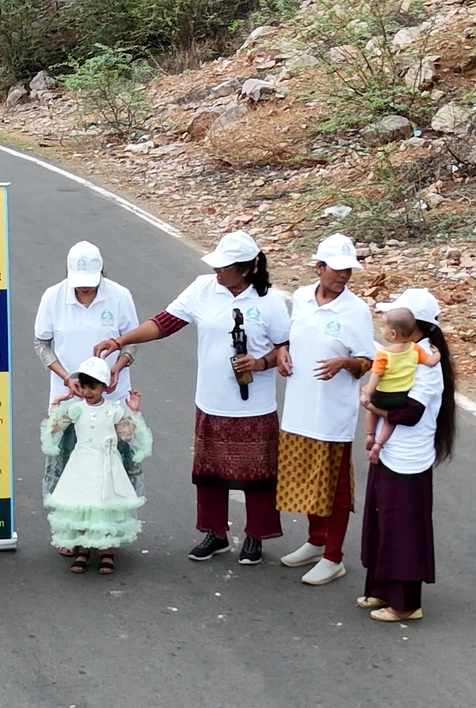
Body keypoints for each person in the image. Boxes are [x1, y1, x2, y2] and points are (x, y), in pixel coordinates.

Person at [95, 230, 290, 565]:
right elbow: (165, 323)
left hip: (254, 406)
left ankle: (255, 537)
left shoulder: (269, 301)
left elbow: (285, 346)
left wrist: (260, 363)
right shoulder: (203, 288)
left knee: (258, 476)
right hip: (211, 400)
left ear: (244, 269)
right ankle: (215, 534)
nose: (217, 271)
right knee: (209, 473)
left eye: (224, 267)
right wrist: (120, 340)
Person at [271, 234, 376, 587]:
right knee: (305, 479)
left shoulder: (356, 311)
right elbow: (289, 337)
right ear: (319, 267)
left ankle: (334, 557)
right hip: (300, 406)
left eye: (348, 270)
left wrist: (346, 362)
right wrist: (283, 352)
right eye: (337, 269)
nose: (343, 276)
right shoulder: (300, 298)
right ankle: (315, 542)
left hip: (332, 414)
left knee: (333, 487)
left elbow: (368, 362)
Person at [33, 241, 139, 558]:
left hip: (111, 397)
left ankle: (109, 533)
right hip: (68, 396)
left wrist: (118, 367)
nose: (84, 290)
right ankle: (69, 531)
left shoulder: (120, 296)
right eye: (79, 285)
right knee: (67, 466)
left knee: (111, 467)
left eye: (90, 285)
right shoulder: (53, 297)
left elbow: (132, 342)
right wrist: (66, 376)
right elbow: (41, 344)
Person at [357, 288, 456, 622]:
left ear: (410, 328)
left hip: (409, 458)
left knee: (402, 530)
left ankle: (406, 604)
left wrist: (371, 406)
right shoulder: (408, 354)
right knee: (382, 521)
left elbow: (410, 413)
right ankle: (383, 590)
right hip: (390, 453)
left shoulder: (425, 364)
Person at [41, 357, 151, 575]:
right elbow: (54, 429)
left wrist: (134, 412)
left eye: (93, 386)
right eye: (84, 386)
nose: (88, 391)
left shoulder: (113, 409)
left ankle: (107, 551)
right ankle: (83, 547)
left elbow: (126, 436)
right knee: (82, 504)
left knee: (105, 505)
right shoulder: (76, 409)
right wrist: (57, 405)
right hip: (81, 463)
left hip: (106, 464)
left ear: (104, 387)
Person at [361, 307, 441, 465]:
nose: (381, 329)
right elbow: (431, 362)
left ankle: (370, 434)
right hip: (400, 397)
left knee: (373, 412)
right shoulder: (415, 349)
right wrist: (438, 353)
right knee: (390, 421)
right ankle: (379, 444)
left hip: (382, 394)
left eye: (383, 327)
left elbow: (376, 375)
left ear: (393, 334)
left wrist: (367, 394)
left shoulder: (383, 354)